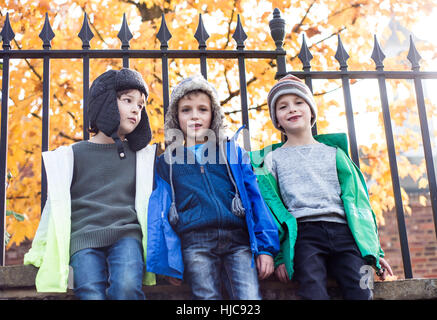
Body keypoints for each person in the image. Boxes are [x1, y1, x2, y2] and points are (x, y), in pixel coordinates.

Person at [248, 75, 393, 300]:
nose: (292, 109)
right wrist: (280, 258)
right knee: (312, 289)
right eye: (283, 106)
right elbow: (270, 210)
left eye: (299, 103)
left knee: (361, 290)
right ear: (277, 119)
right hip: (305, 234)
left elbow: (360, 204)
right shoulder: (271, 161)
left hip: (344, 233)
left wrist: (374, 251)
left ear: (311, 111)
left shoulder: (336, 155)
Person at [24, 68, 157, 300]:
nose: (137, 108)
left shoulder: (142, 158)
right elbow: (54, 206)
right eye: (128, 100)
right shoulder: (72, 155)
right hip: (84, 238)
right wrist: (39, 250)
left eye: (141, 104)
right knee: (90, 294)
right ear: (105, 103)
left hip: (127, 235)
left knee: (126, 287)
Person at [148, 74, 280, 300]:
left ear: (214, 115)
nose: (194, 116)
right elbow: (159, 215)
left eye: (202, 109)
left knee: (248, 298)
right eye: (186, 110)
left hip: (238, 242)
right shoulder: (166, 163)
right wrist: (171, 261)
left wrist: (266, 248)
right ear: (175, 117)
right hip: (194, 243)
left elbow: (254, 198)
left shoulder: (231, 153)